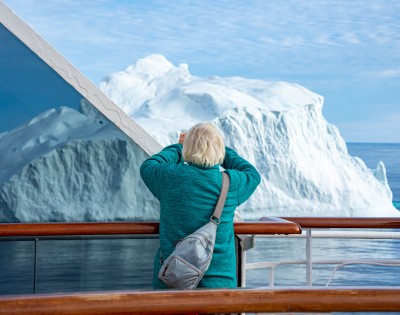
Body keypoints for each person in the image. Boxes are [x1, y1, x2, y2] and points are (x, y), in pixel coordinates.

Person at [140, 122, 261, 289]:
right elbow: (252, 173)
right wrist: (219, 150)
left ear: (187, 149)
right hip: (218, 284)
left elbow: (149, 165)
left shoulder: (169, 177)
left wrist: (178, 147)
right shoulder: (231, 182)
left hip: (173, 281)